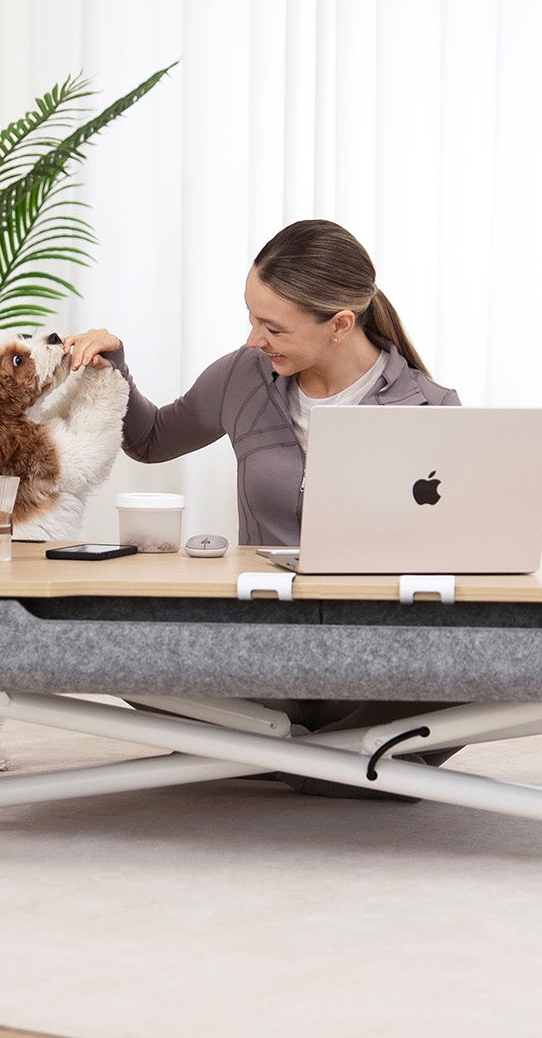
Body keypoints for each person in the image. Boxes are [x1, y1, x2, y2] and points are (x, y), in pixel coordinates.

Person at [62, 218, 461, 797]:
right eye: (251, 317)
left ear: (340, 325)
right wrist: (113, 366)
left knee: (503, 665)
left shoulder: (429, 408)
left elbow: (456, 553)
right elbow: (150, 440)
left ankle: (261, 749)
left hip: (375, 656)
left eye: (272, 326)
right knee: (102, 640)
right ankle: (335, 762)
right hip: (264, 649)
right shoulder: (243, 377)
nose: (254, 339)